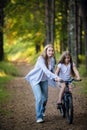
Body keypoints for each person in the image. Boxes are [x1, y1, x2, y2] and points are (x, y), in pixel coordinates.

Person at [25, 44, 61, 123]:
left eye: (52, 50)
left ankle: (42, 110)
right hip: (35, 80)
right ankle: (39, 117)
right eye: (49, 50)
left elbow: (51, 70)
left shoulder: (52, 60)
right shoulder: (41, 59)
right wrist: (55, 77)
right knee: (39, 98)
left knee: (45, 99)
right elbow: (45, 70)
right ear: (46, 51)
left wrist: (57, 78)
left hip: (44, 80)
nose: (51, 52)